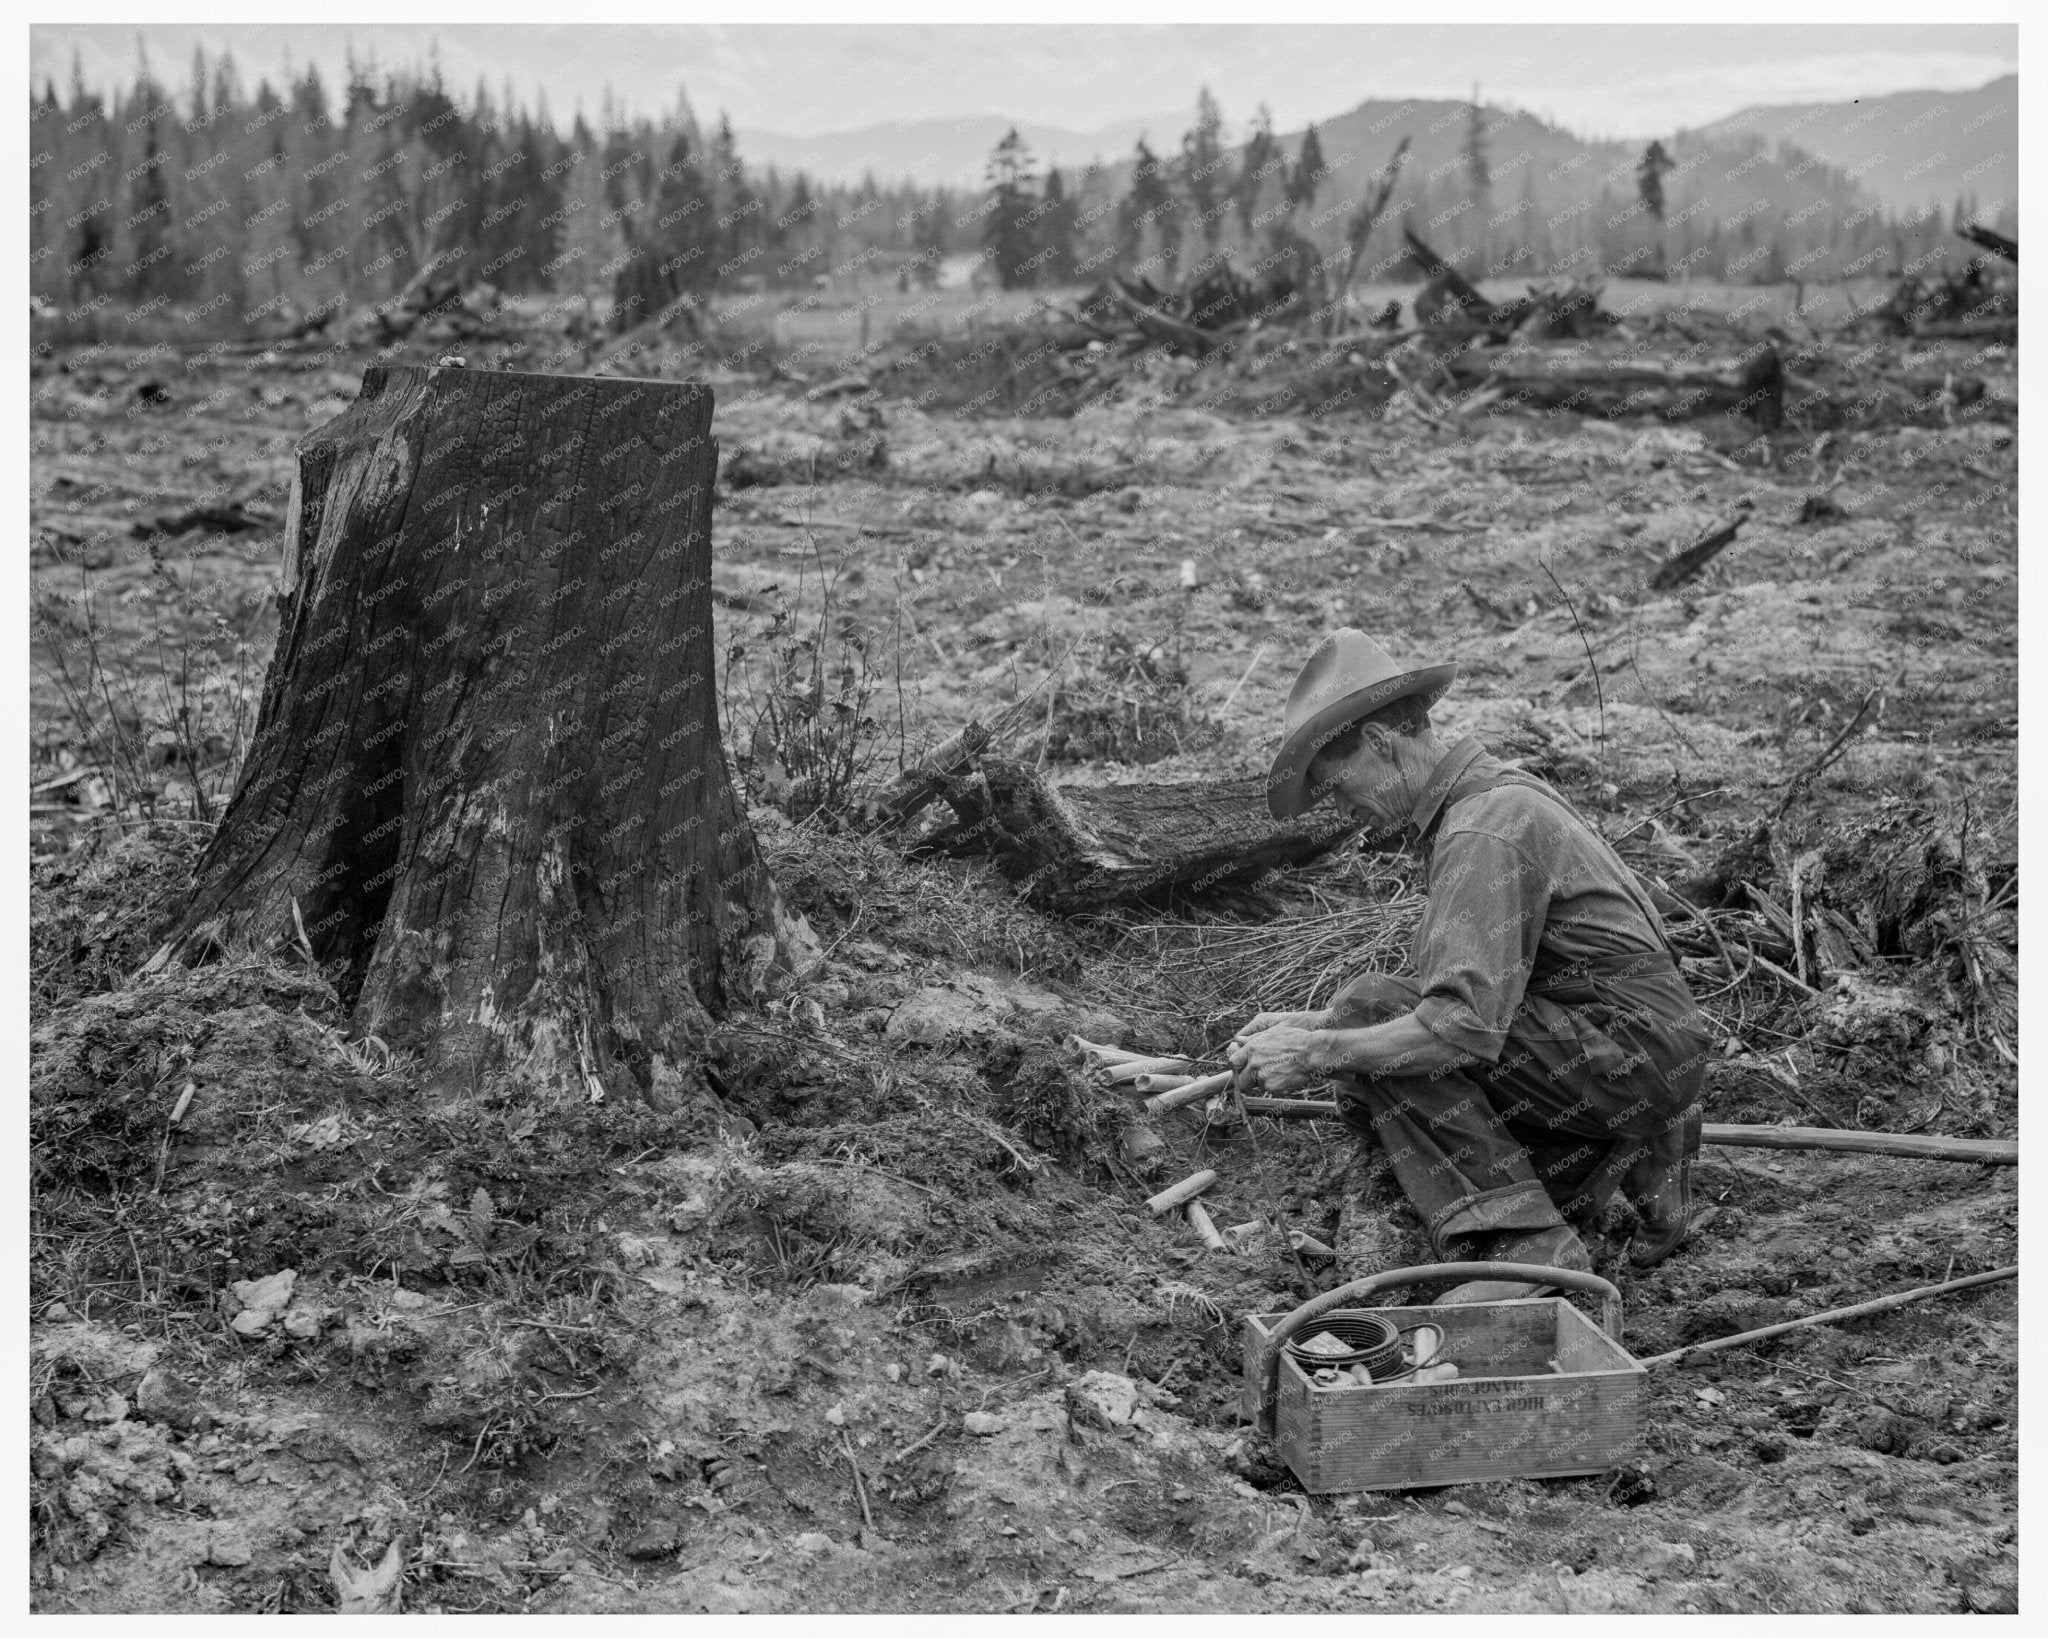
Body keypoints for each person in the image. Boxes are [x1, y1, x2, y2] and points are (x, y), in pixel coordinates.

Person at [1226, 629, 1712, 1303]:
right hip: (1630, 1051)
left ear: (1379, 742)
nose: (1344, 811)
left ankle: (1526, 1243)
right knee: (1363, 1015)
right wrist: (1309, 1022)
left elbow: (1458, 1028)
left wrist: (1314, 1051)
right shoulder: (1491, 799)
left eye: (1338, 788)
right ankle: (1605, 1170)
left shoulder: (1481, 828)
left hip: (1625, 1054)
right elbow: (1492, 996)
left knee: (1370, 1011)